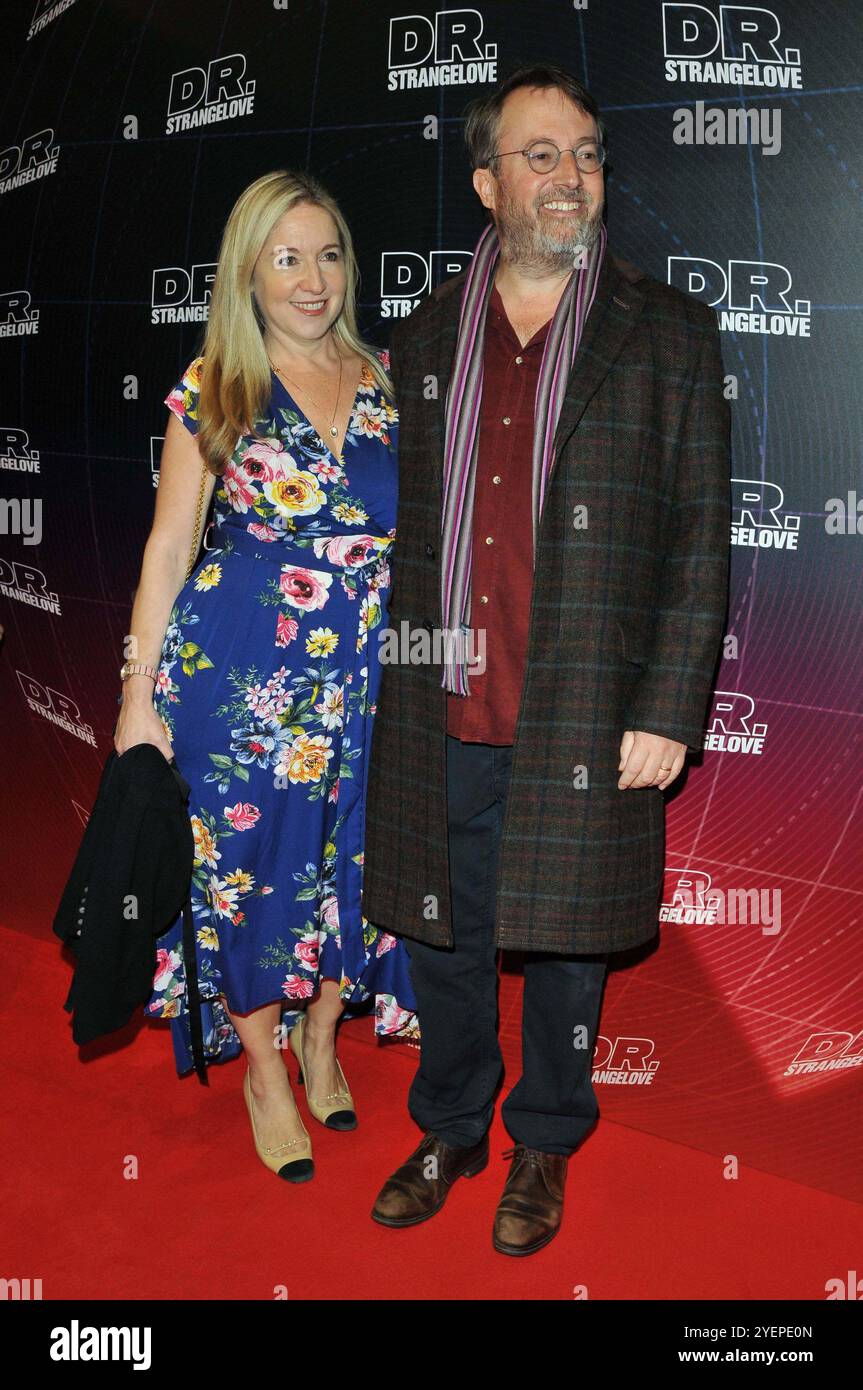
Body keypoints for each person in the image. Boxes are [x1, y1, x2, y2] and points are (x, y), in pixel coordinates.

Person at [362, 63, 731, 1253]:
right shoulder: (417, 340)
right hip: (443, 697)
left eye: (581, 152)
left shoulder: (667, 328)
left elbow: (696, 534)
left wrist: (669, 704)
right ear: (484, 182)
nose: (566, 174)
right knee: (441, 933)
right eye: (536, 154)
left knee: (569, 947)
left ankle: (541, 1145)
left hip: (584, 705)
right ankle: (450, 1123)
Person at [114, 169, 418, 1183]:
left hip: (365, 686)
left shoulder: (385, 379)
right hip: (235, 683)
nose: (310, 278)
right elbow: (166, 549)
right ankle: (260, 1066)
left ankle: (323, 1035)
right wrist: (133, 697)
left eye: (327, 254)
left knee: (351, 873)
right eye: (285, 257)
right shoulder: (214, 386)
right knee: (244, 880)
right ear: (247, 271)